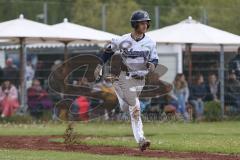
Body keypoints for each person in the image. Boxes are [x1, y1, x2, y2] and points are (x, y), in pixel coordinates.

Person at [94, 10, 159, 151]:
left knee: (125, 107)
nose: (145, 25)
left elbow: (154, 58)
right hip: (127, 77)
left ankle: (117, 89)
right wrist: (100, 65)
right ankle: (141, 139)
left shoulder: (151, 42)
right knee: (135, 108)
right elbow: (108, 51)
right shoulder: (123, 40)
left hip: (141, 80)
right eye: (142, 23)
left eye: (146, 22)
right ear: (135, 24)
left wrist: (153, 65)